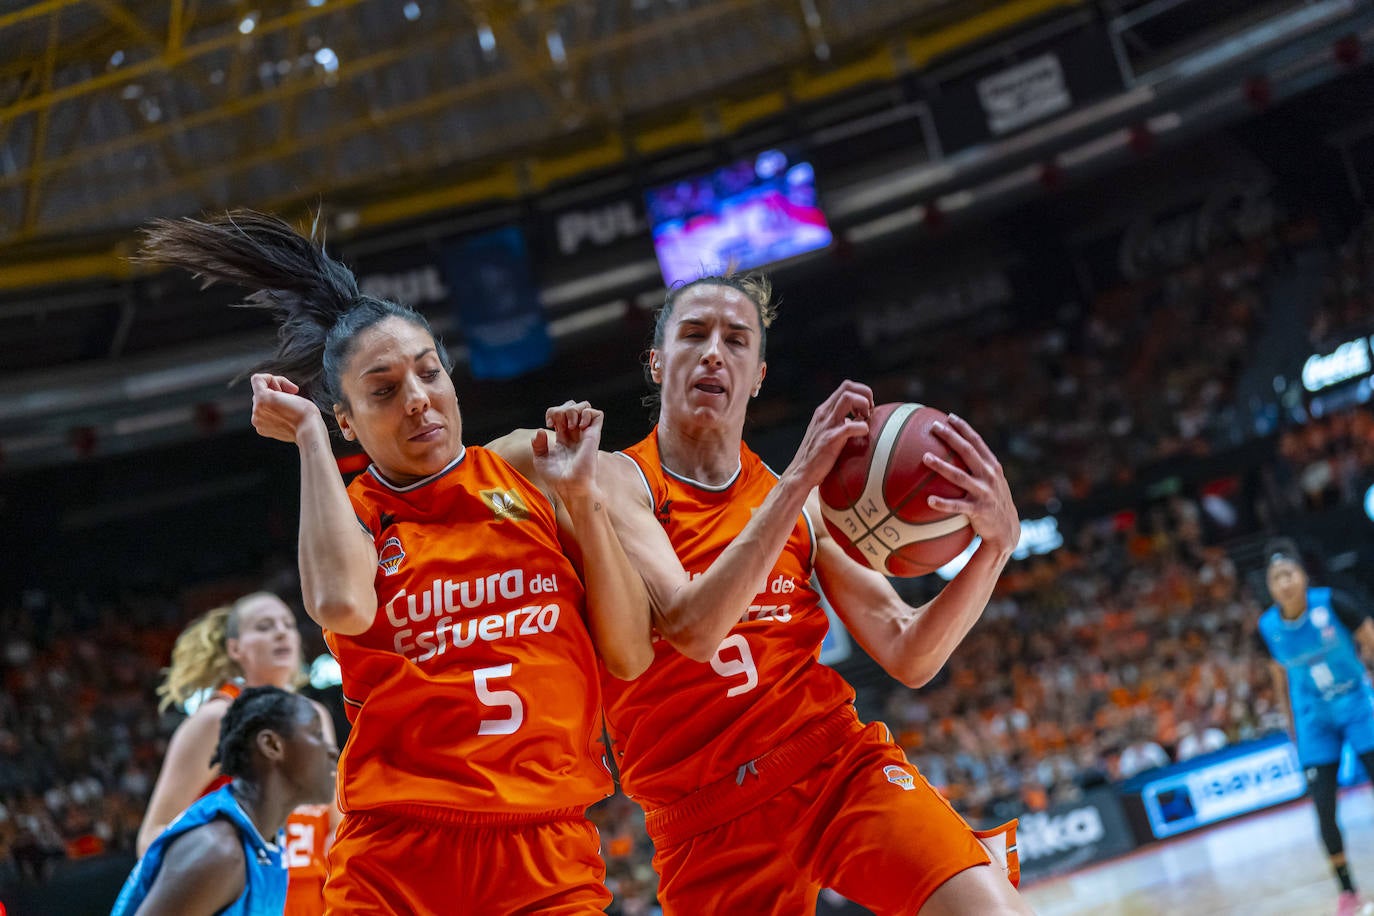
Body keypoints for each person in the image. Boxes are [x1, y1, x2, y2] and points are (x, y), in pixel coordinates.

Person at [139, 210, 651, 914]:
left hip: (546, 846)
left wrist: (583, 500)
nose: (417, 401)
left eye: (429, 373)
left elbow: (627, 653)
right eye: (383, 391)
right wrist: (310, 440)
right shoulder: (355, 512)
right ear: (348, 419)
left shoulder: (529, 466)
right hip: (399, 856)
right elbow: (343, 606)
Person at [597, 272, 1032, 914]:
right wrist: (798, 479)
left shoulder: (806, 506)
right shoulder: (616, 482)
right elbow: (693, 629)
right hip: (702, 815)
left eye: (736, 340)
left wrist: (994, 549)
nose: (714, 351)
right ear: (657, 363)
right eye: (693, 334)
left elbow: (910, 652)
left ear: (758, 374)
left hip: (831, 765)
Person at [136, 593, 340, 916]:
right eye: (264, 626)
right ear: (235, 649)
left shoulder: (315, 717)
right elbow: (152, 835)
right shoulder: (216, 719)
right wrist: (224, 876)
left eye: (289, 625)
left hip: (317, 901)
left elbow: (336, 823)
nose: (281, 632)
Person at [112, 686, 339, 916]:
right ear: (271, 745)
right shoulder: (219, 851)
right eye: (317, 734)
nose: (332, 751)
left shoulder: (269, 838)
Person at [1256, 538, 1374, 916]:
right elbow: (1278, 681)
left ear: (1303, 576)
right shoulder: (1268, 628)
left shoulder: (1333, 604)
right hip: (1313, 721)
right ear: (1270, 587)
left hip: (1356, 705)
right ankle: (1347, 892)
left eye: (1289, 574)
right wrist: (1292, 729)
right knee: (1323, 809)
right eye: (1276, 579)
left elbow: (1370, 640)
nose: (1285, 583)